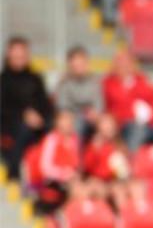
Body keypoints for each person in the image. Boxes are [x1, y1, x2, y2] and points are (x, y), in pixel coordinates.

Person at [101, 49, 153, 157]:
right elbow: (112, 109)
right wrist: (132, 113)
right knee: (137, 130)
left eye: (126, 62)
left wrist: (151, 117)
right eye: (120, 63)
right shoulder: (108, 83)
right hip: (126, 126)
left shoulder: (142, 80)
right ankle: (131, 166)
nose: (124, 66)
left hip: (150, 124)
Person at [1, 37, 54, 179]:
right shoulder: (3, 80)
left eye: (22, 54)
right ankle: (14, 174)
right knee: (24, 128)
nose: (19, 57)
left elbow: (45, 105)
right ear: (9, 55)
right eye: (16, 54)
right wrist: (24, 115)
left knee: (53, 127)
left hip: (37, 124)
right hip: (10, 127)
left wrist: (40, 118)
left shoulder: (36, 79)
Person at [55, 46, 104, 141]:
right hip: (73, 119)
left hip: (92, 119)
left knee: (105, 126)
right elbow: (63, 107)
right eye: (76, 65)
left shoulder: (95, 81)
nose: (79, 67)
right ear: (70, 65)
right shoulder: (64, 83)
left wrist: (95, 114)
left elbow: (99, 104)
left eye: (82, 64)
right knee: (77, 124)